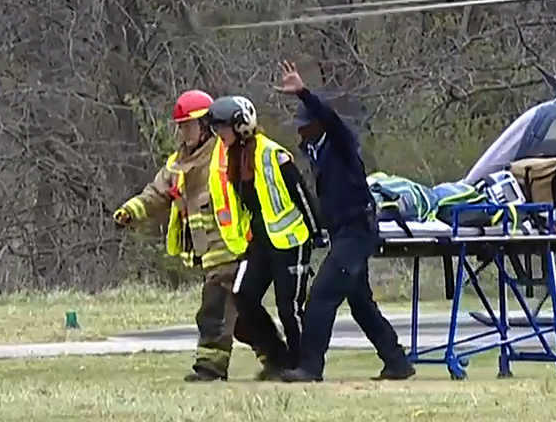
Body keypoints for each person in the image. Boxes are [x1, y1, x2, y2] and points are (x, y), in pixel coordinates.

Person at [114, 90, 279, 382]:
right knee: (241, 319)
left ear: (205, 124)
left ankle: (210, 368)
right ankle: (280, 359)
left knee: (213, 309)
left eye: (187, 125)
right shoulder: (178, 162)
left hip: (232, 249)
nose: (182, 132)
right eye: (180, 126)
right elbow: (156, 193)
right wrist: (131, 211)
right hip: (208, 253)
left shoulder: (224, 152)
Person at [274, 59, 415, 383]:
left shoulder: (341, 142)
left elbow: (330, 118)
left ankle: (310, 367)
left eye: (305, 123)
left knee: (322, 295)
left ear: (318, 124)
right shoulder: (315, 150)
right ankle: (397, 361)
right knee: (360, 303)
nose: (300, 129)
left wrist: (304, 93)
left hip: (357, 231)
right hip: (342, 233)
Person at [204, 94, 325, 376]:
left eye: (222, 128)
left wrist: (318, 232)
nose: (218, 134)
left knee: (289, 306)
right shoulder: (234, 159)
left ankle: (303, 364)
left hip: (290, 240)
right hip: (259, 241)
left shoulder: (273, 155)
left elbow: (302, 195)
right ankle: (277, 355)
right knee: (243, 295)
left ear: (241, 125)